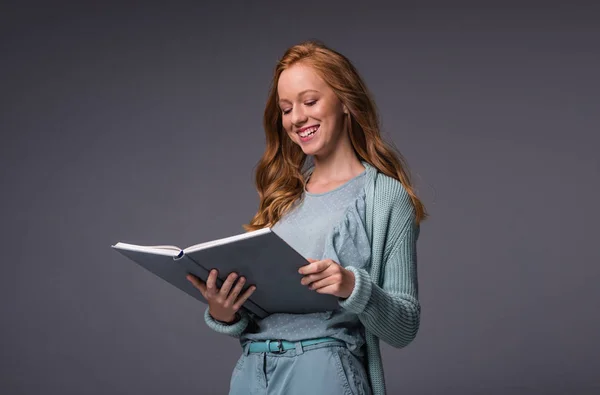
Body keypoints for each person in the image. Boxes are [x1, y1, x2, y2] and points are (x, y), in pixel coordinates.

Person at [186, 40, 427, 395]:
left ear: (345, 101)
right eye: (286, 109)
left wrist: (351, 286)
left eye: (309, 101)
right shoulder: (283, 196)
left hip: (323, 374)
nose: (297, 118)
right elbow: (264, 309)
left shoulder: (385, 197)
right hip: (252, 374)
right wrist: (225, 312)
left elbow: (404, 327)